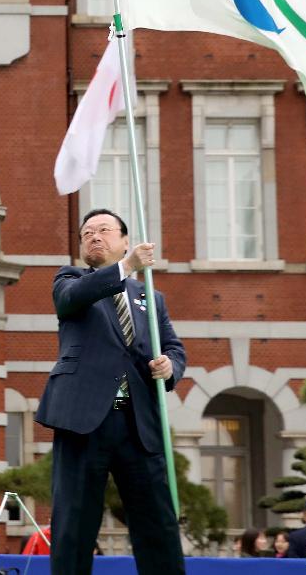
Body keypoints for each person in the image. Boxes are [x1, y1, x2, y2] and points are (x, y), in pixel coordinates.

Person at [35, 209, 187, 575]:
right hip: (84, 420)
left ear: (124, 240)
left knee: (158, 524)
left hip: (138, 422)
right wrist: (125, 268)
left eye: (104, 230)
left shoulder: (151, 296)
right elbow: (72, 299)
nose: (94, 237)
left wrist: (169, 366)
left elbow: (174, 348)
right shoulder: (70, 279)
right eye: (87, 233)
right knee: (74, 523)